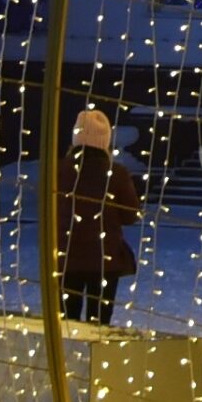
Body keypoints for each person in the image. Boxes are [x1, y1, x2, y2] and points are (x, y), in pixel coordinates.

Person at [57, 107, 141, 325]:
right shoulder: (117, 173)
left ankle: (66, 356)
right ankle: (94, 356)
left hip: (66, 258)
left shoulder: (59, 171)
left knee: (67, 322)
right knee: (99, 324)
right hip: (105, 260)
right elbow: (131, 215)